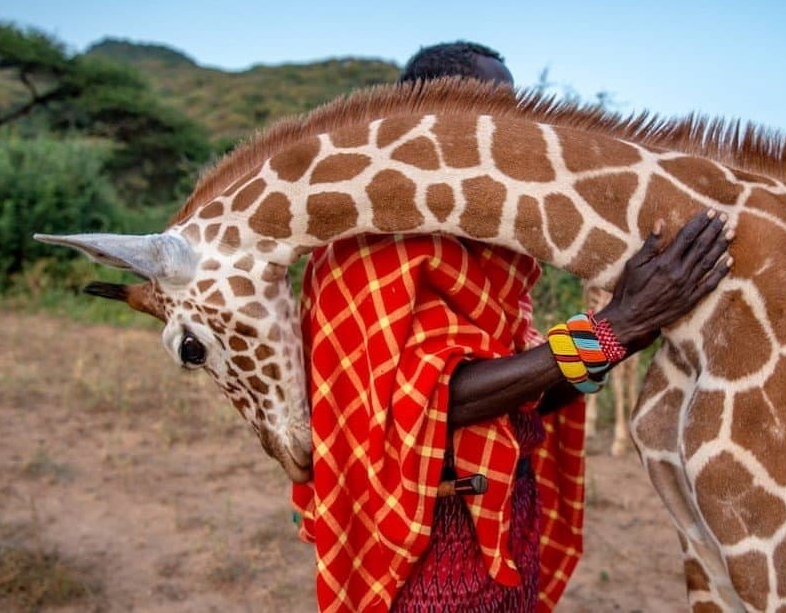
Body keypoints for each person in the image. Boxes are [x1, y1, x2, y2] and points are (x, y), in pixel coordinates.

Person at [290, 41, 732, 612]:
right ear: (436, 118)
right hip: (423, 543)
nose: (513, 132)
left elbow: (524, 397)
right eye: (497, 111)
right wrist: (614, 327)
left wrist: (625, 333)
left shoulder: (490, 254)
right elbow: (431, 400)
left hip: (508, 515)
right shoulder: (361, 250)